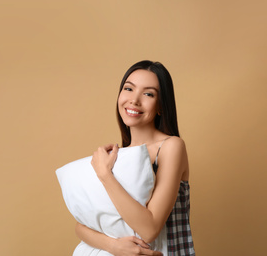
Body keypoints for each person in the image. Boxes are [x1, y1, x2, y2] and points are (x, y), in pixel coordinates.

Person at [75, 60, 195, 255]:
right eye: (128, 89)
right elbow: (82, 226)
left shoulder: (171, 146)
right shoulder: (117, 157)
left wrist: (105, 175)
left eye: (148, 94)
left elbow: (150, 229)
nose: (134, 100)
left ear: (161, 106)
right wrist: (114, 246)